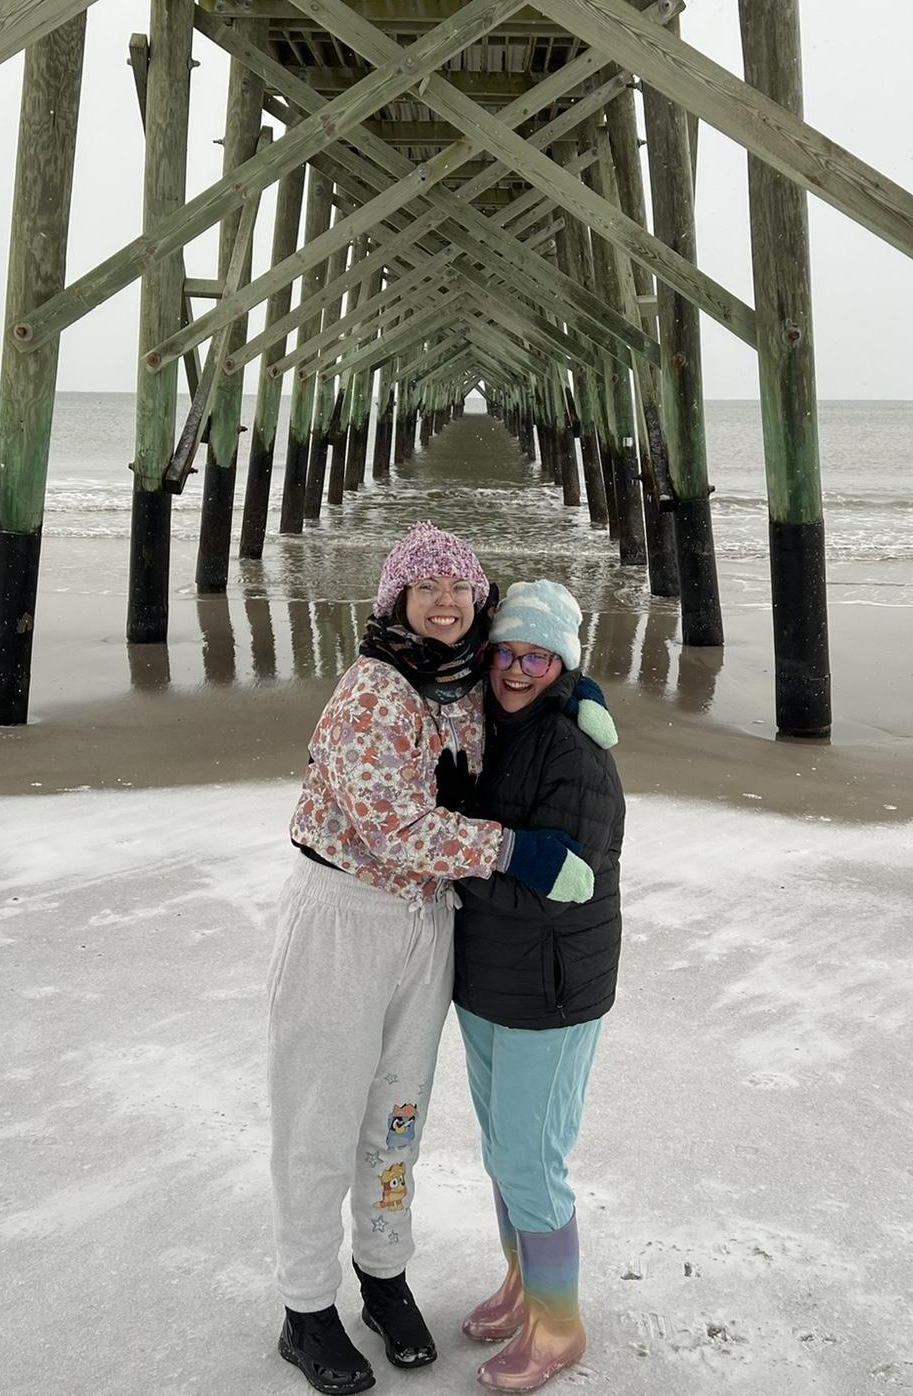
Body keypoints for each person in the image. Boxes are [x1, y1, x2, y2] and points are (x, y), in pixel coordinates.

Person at [272, 525, 595, 1396]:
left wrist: (578, 686)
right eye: (425, 588)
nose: (444, 601)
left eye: (459, 587)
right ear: (396, 601)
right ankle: (306, 1309)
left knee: (399, 1112)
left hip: (428, 915)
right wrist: (515, 852)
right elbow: (393, 828)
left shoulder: (464, 683)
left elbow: (531, 683)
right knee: (322, 1116)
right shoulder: (374, 689)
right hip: (346, 915)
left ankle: (384, 1276)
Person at [452, 581, 625, 1393]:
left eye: (537, 656)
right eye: (507, 653)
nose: (517, 670)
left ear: (561, 665)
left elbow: (570, 880)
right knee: (502, 1152)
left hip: (551, 987)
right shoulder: (489, 725)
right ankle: (525, 1286)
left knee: (531, 1155)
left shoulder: (575, 753)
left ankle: (559, 1326)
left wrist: (453, 854)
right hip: (488, 977)